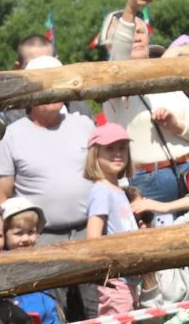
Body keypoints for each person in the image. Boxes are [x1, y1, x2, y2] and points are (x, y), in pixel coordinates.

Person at [0, 56, 95, 318]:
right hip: (40, 238)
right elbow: (2, 198)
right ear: (29, 93)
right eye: (44, 85)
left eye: (56, 84)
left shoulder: (84, 124)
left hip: (91, 231)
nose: (51, 92)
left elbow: (103, 176)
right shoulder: (9, 135)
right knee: (51, 311)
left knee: (98, 309)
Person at [101, 0, 189, 204]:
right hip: (149, 182)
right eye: (129, 33)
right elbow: (119, 67)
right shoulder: (109, 85)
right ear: (110, 47)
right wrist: (130, 10)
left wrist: (177, 126)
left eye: (140, 31)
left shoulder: (167, 78)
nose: (136, 37)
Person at [83, 123, 139, 314]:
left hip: (128, 279)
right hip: (115, 281)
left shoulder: (118, 190)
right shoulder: (101, 191)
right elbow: (93, 238)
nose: (118, 153)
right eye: (110, 148)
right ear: (95, 154)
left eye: (122, 148)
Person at [0, 198, 66, 324]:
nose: (26, 239)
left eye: (31, 232)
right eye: (18, 233)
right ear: (3, 234)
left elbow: (51, 301)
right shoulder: (0, 266)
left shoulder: (41, 258)